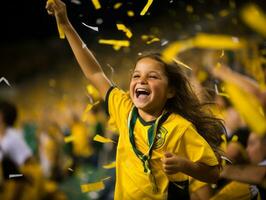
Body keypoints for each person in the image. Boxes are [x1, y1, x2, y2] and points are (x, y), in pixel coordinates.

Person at [45, 0, 225, 199]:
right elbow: (95, 73)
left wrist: (185, 166)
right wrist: (66, 25)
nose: (142, 80)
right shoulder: (124, 108)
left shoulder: (179, 127)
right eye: (136, 76)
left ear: (171, 91)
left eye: (153, 76)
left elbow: (213, 173)